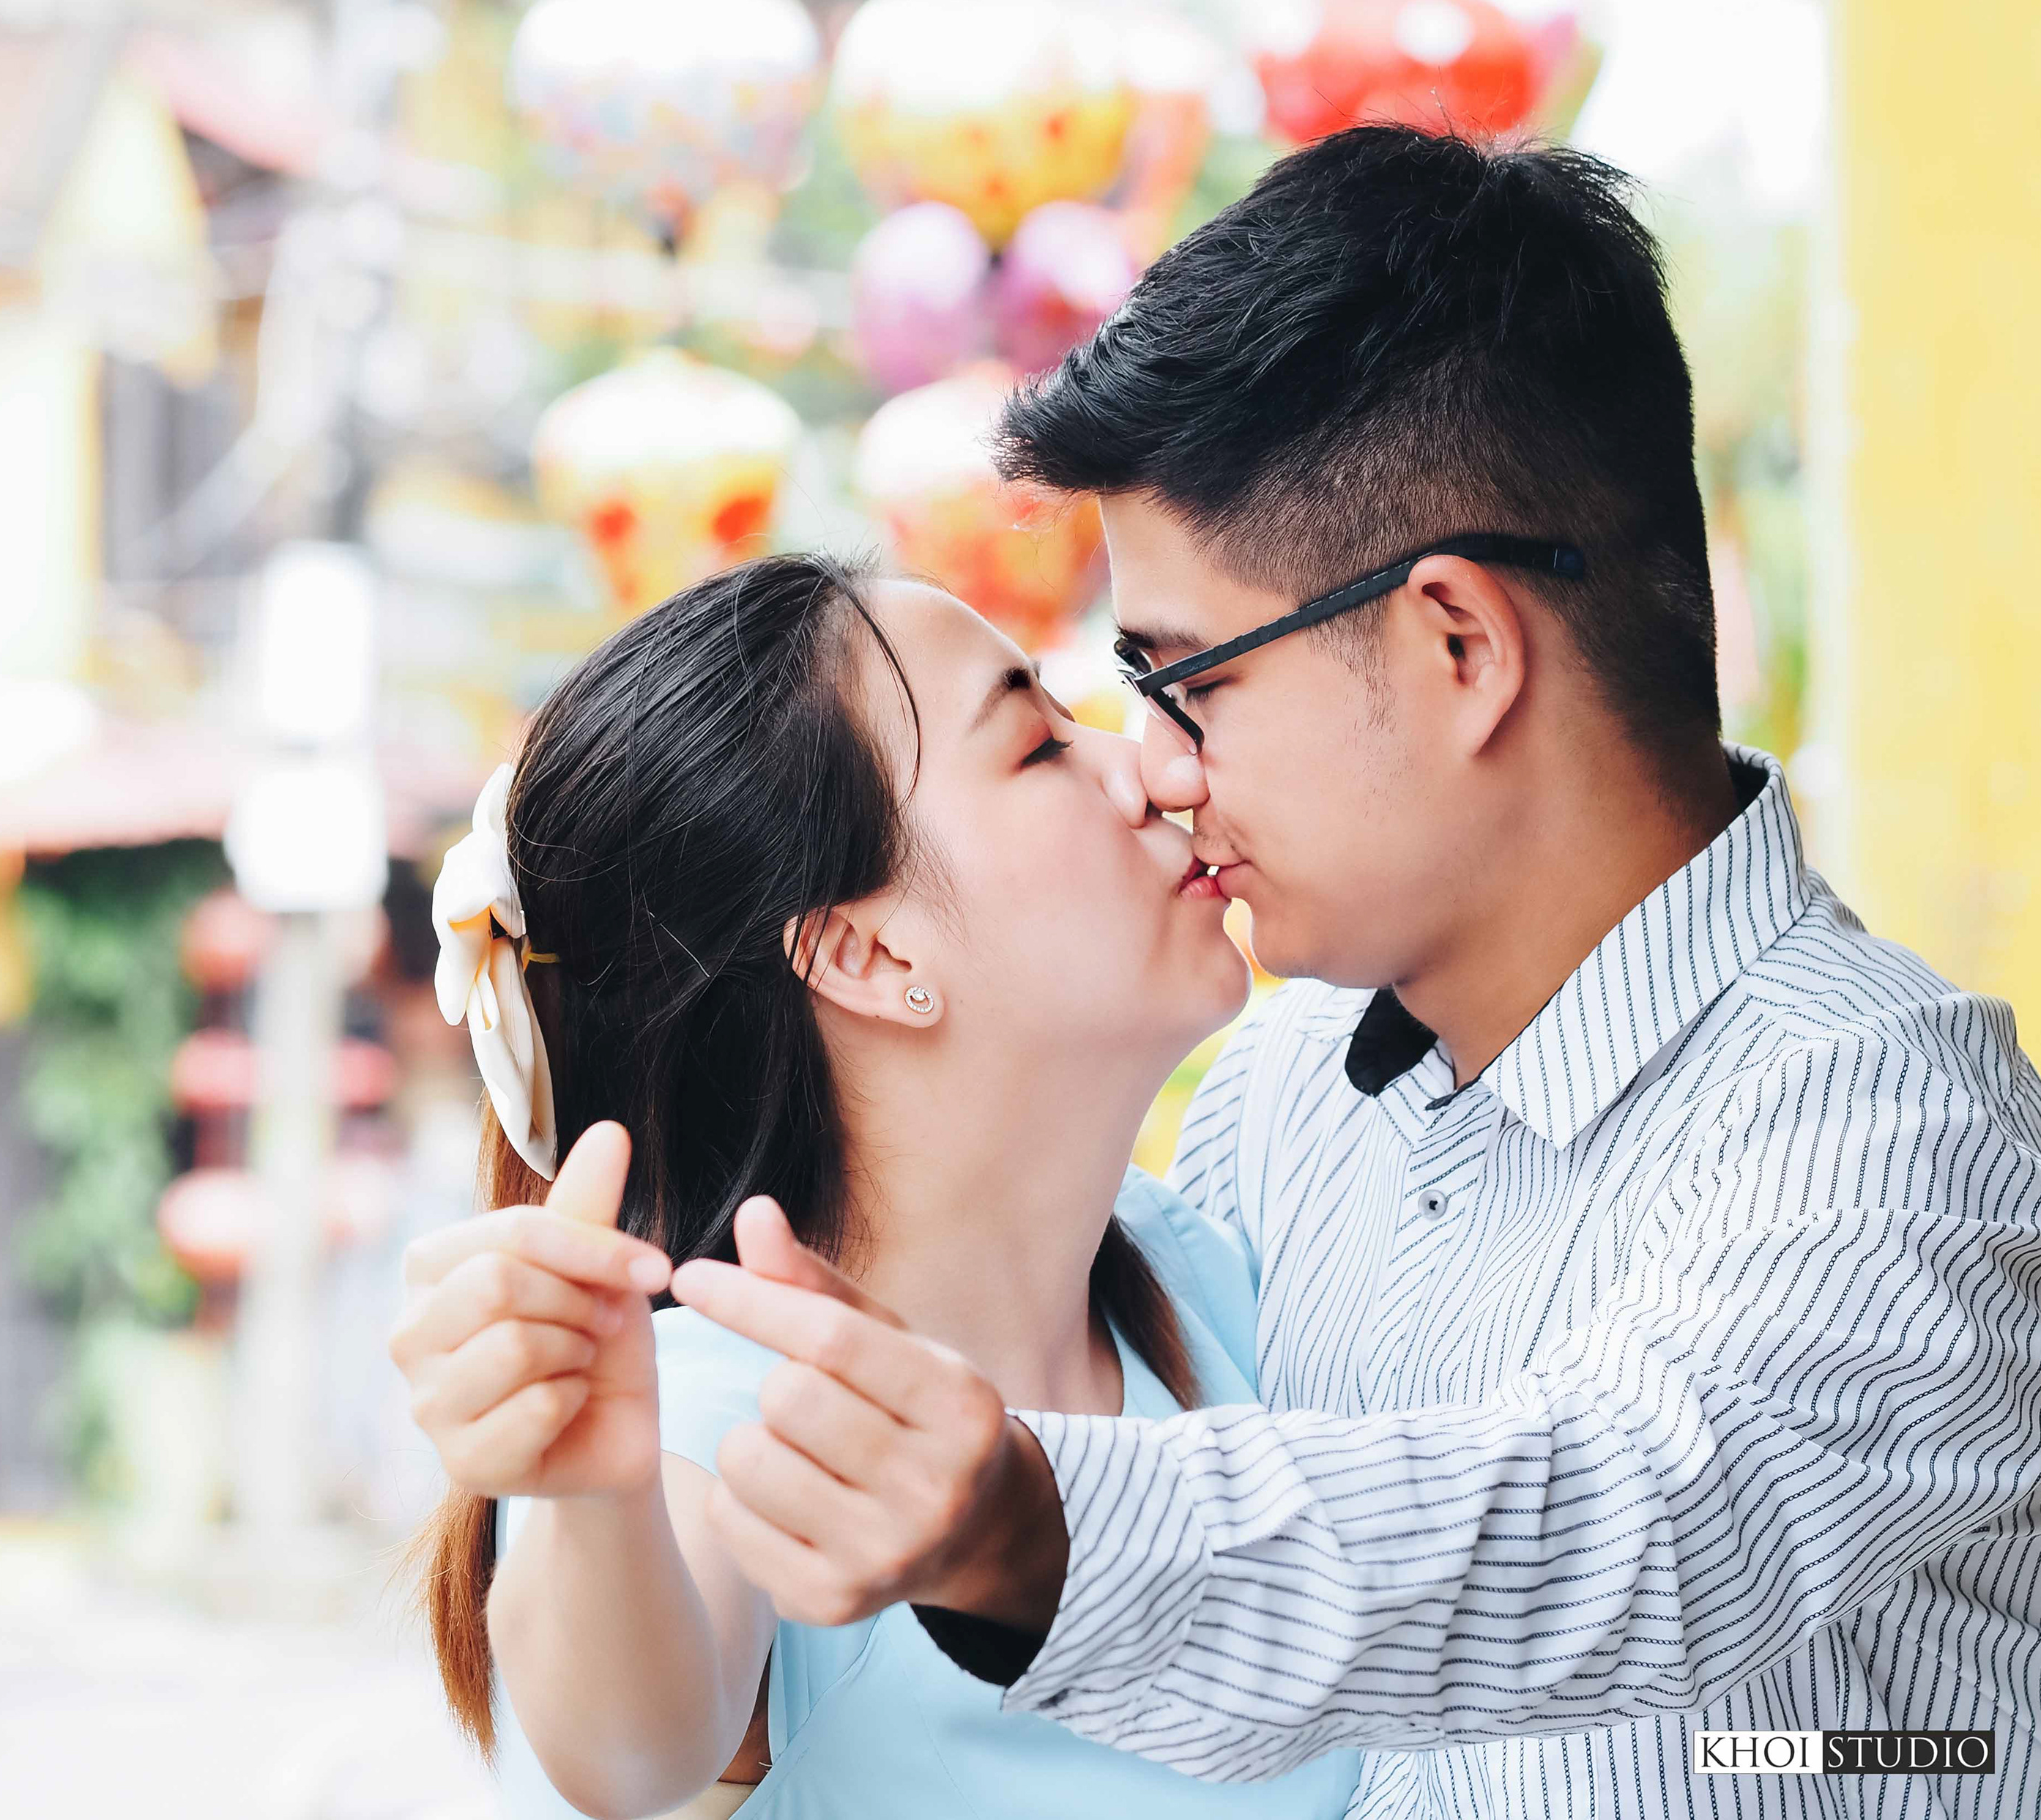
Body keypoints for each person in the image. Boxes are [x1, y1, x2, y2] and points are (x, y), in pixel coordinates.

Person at [663, 127, 2041, 1818]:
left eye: (1189, 681)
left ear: (1455, 645)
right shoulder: (1284, 1087)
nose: (1154, 769)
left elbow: (1622, 1522)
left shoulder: (1895, 1125)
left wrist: (1039, 1528)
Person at [388, 551, 1362, 1819]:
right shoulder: (723, 1406)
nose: (1154, 767)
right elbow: (631, 1751)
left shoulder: (1209, 1283)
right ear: (863, 948)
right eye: (1037, 744)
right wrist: (590, 1505)